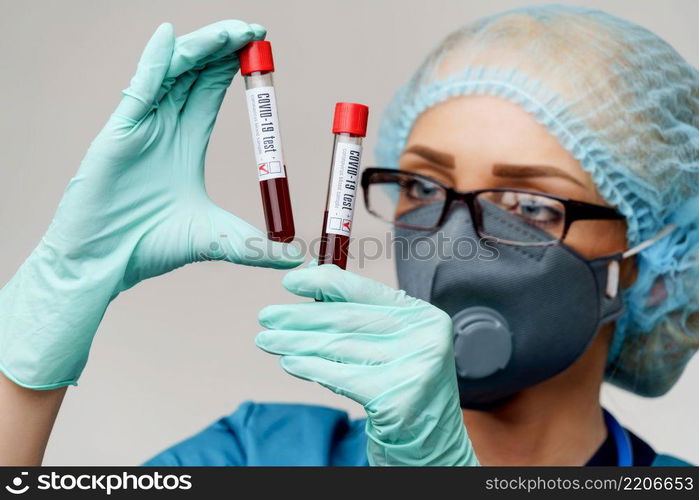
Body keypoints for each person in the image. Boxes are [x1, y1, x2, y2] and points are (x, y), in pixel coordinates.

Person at [0, 5, 697, 466]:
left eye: (524, 203)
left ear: (653, 263)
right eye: (422, 188)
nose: (451, 241)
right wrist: (44, 320)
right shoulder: (261, 456)